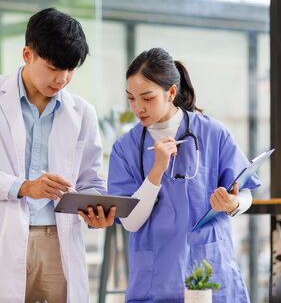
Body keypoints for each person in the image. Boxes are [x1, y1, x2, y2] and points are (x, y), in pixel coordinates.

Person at [0, 7, 115, 303]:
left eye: (70, 69)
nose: (63, 78)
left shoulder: (83, 113)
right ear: (27, 54)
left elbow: (89, 179)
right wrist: (24, 186)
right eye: (54, 67)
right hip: (2, 236)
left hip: (58, 240)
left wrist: (96, 213)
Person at [107, 47, 261, 302]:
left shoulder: (213, 133)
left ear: (171, 92)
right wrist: (157, 170)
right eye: (131, 98)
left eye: (147, 98)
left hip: (209, 266)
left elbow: (245, 193)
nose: (138, 108)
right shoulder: (125, 148)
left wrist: (233, 204)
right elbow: (130, 222)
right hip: (156, 276)